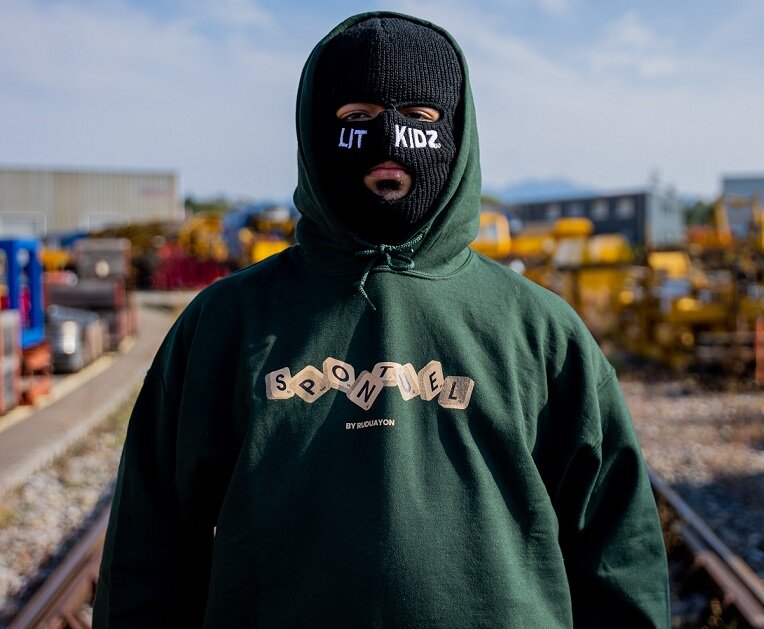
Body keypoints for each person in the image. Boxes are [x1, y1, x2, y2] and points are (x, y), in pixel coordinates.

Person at [93, 11, 670, 628]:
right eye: (357, 117)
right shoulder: (225, 324)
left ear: (458, 133)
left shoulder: (541, 331)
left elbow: (618, 559)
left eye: (420, 116)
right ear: (316, 132)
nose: (390, 140)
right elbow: (146, 558)